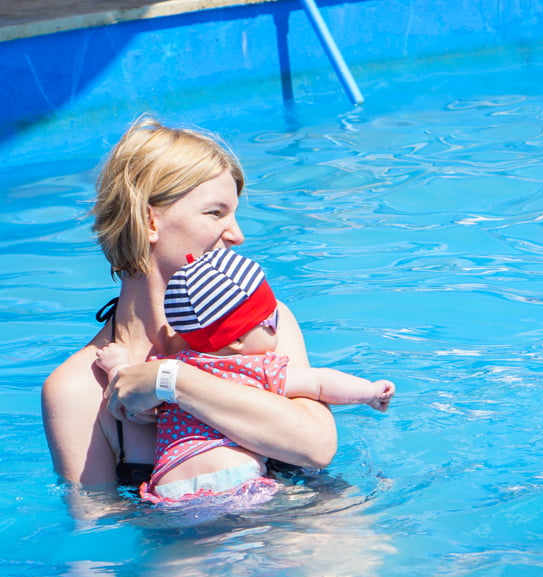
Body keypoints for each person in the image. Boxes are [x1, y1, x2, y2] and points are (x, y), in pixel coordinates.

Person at [42, 115, 340, 490]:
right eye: (216, 213)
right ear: (149, 221)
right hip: (188, 545)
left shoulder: (263, 322)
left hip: (312, 522)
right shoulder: (78, 388)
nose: (237, 235)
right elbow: (99, 533)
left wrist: (171, 381)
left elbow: (317, 447)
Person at [96, 248, 395, 502]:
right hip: (238, 481)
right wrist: (369, 392)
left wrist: (117, 365)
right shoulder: (257, 367)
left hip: (170, 491)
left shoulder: (165, 364)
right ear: (237, 341)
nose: (277, 325)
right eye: (270, 320)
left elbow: (130, 396)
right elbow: (320, 383)